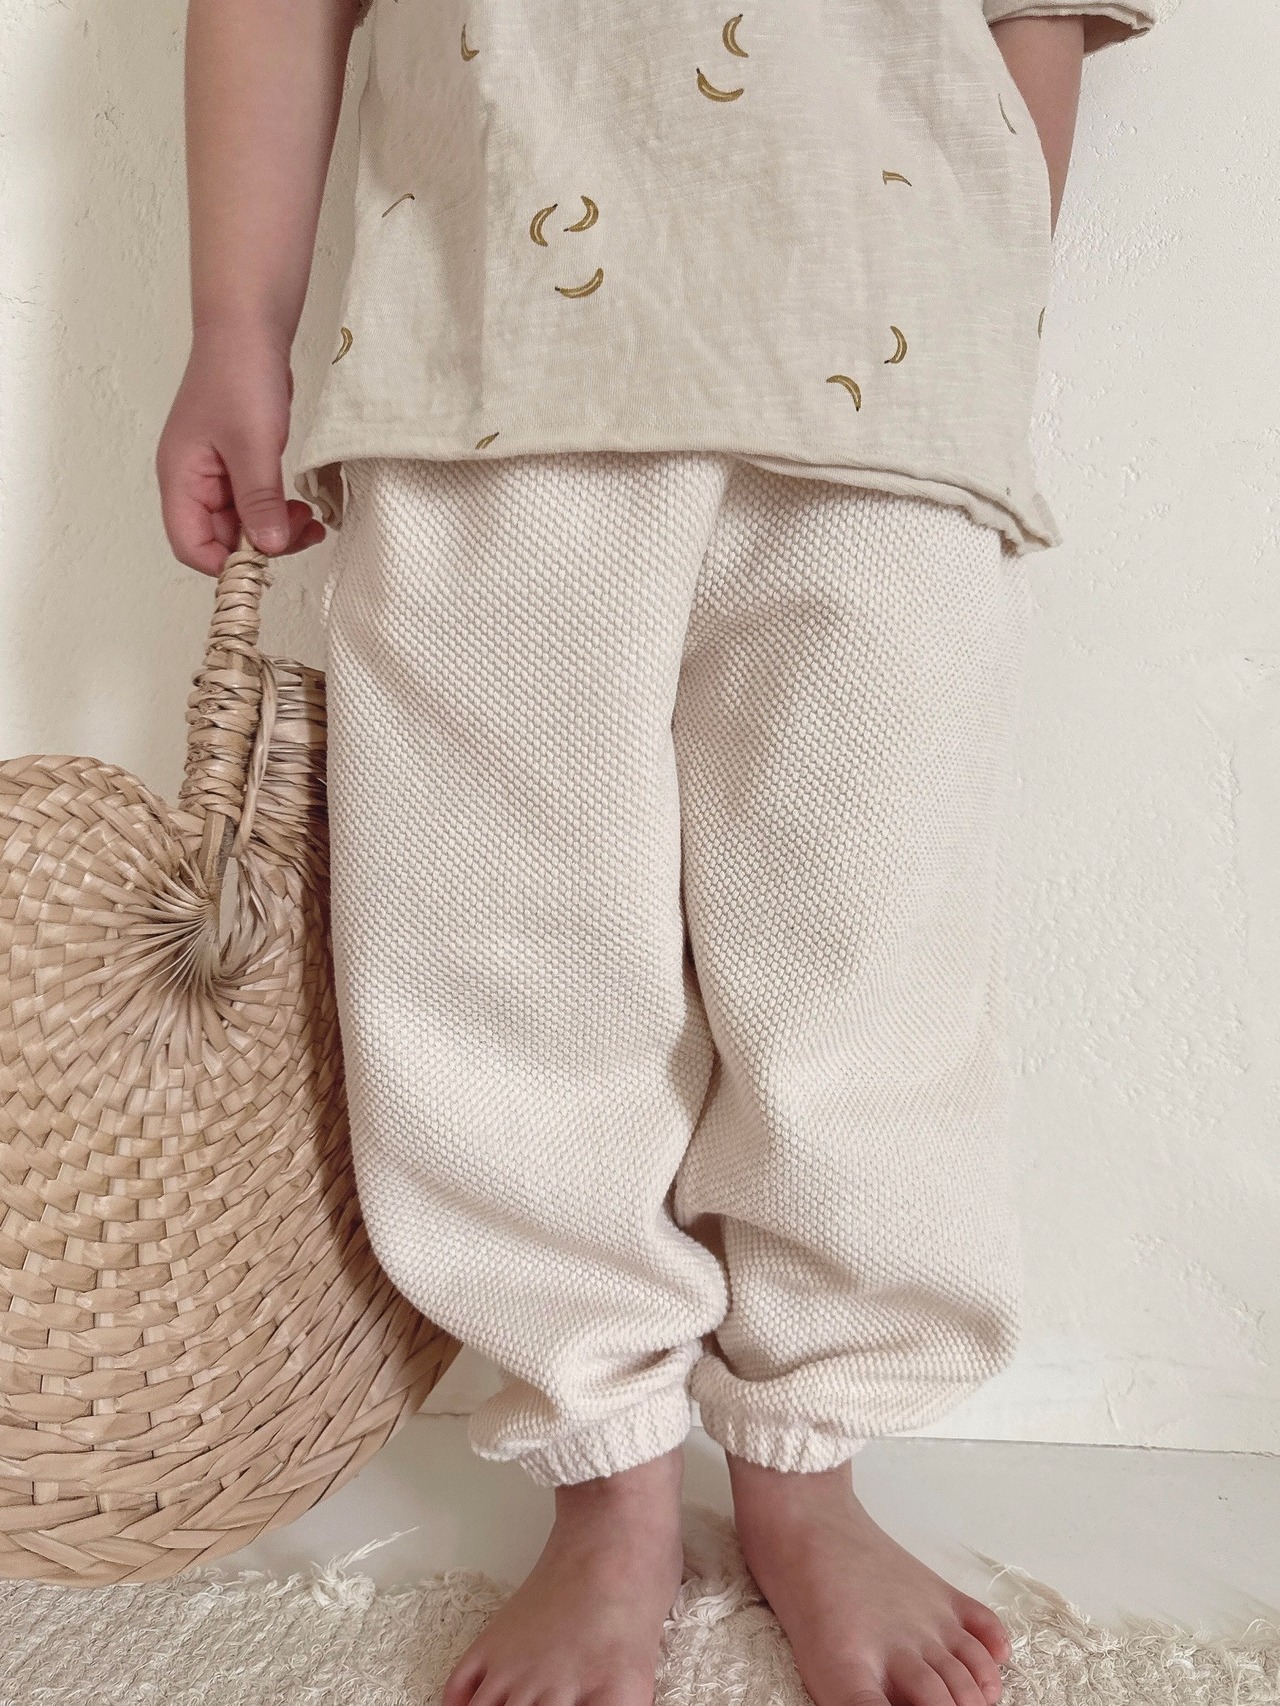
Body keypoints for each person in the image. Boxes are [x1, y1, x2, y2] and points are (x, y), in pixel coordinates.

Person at [156, 4, 1157, 1704]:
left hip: (890, 376)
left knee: (864, 960)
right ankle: (606, 1475)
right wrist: (235, 327)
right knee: (498, 954)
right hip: (484, 353)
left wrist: (981, 321)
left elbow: (1034, 16)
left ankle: (808, 1464)